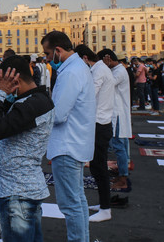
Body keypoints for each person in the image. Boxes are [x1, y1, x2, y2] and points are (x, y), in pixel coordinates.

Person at [0, 56, 54, 241]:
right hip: (19, 190)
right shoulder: (30, 100)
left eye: (1, 81)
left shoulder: (35, 103)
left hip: (19, 193)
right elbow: (4, 118)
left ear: (15, 80)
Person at [42, 31, 96, 242]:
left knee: (70, 204)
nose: (46, 59)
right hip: (75, 142)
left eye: (47, 53)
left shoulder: (71, 72)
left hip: (67, 145)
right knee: (78, 201)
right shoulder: (77, 68)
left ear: (58, 51)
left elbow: (59, 113)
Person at [75, 45, 114, 222]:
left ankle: (106, 209)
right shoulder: (100, 69)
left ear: (84, 58)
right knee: (98, 168)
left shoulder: (99, 71)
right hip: (100, 123)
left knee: (99, 167)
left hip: (100, 124)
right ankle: (103, 203)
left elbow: (90, 95)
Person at [98, 49, 131, 191]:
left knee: (119, 147)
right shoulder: (117, 70)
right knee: (120, 146)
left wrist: (103, 68)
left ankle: (123, 179)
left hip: (118, 115)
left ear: (108, 59)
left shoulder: (119, 71)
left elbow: (109, 83)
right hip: (117, 113)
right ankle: (122, 174)